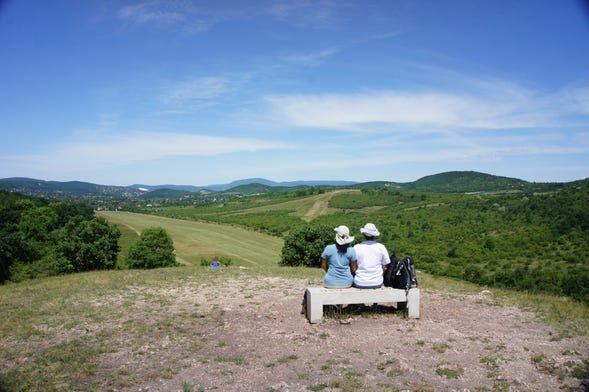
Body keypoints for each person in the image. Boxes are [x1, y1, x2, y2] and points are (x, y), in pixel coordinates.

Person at [353, 223, 390, 288]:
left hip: (359, 282)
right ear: (374, 235)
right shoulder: (381, 247)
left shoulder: (356, 247)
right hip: (377, 282)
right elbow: (385, 267)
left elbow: (354, 267)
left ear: (364, 234)